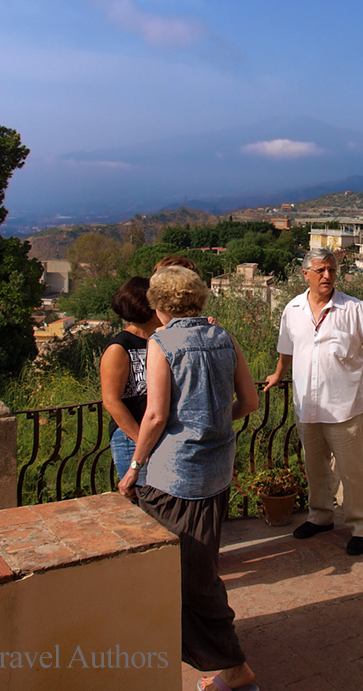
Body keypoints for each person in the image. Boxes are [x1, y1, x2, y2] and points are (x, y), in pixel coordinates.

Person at [118, 265, 260, 691]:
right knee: (199, 569)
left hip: (176, 477)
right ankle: (213, 659)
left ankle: (232, 667)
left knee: (192, 577)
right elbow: (249, 402)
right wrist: (215, 423)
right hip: (217, 473)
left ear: (159, 306)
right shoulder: (224, 337)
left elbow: (157, 416)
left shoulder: (162, 343)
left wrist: (134, 467)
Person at [264, 248, 363, 556]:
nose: (327, 276)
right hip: (308, 405)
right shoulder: (292, 309)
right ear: (306, 274)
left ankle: (362, 526)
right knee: (315, 467)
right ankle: (320, 516)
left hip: (344, 408)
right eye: (320, 270)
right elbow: (286, 347)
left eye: (331, 269)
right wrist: (278, 374)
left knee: (353, 471)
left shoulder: (353, 309)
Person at [100, 277, 161, 486]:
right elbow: (111, 401)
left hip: (156, 436)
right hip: (131, 439)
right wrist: (141, 442)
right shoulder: (119, 348)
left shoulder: (160, 340)